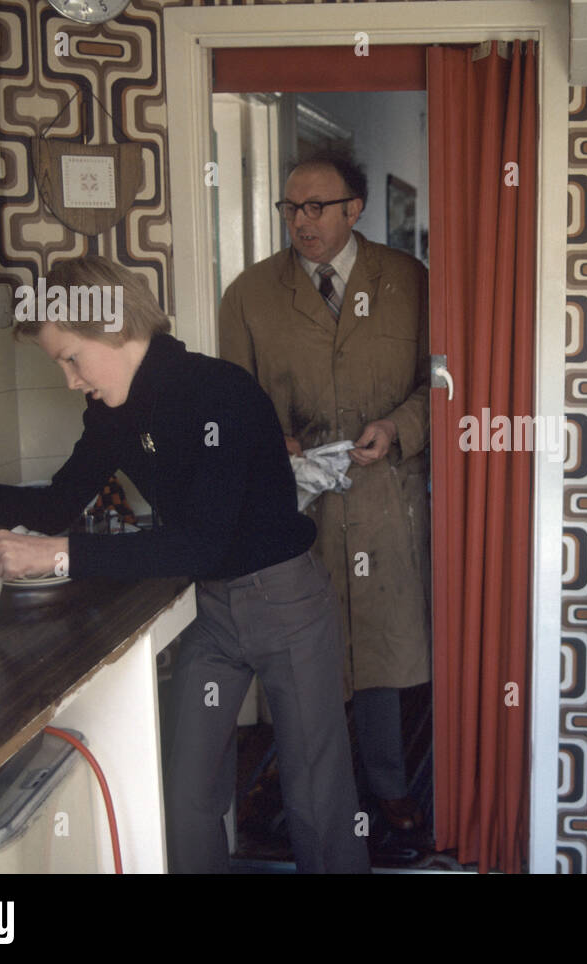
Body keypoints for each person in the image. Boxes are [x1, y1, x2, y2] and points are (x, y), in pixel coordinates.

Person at [0, 255, 368, 874]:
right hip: (213, 610)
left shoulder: (218, 391)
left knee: (317, 800)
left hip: (285, 604)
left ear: (114, 329)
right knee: (186, 795)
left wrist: (59, 555)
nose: (68, 380)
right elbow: (60, 503)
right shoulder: (114, 410)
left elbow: (203, 543)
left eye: (69, 358)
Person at [218, 147, 430, 832]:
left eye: (317, 207)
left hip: (381, 498)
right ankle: (308, 790)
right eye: (291, 208)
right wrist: (265, 441)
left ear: (354, 208)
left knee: (379, 651)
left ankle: (389, 786)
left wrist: (397, 428)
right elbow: (231, 402)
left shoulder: (407, 281)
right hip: (293, 504)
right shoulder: (249, 294)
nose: (302, 222)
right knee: (301, 652)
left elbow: (443, 386)